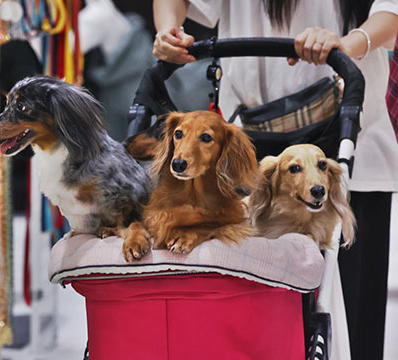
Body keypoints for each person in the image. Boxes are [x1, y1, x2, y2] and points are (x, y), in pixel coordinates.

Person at [152, 1, 398, 359]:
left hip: (348, 136)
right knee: (249, 316)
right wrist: (168, 30)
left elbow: (390, 10)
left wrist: (349, 42)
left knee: (353, 316)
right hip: (251, 149)